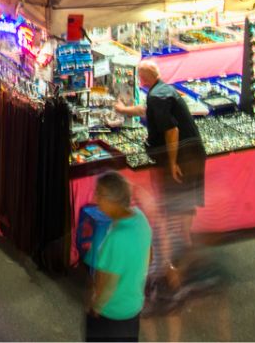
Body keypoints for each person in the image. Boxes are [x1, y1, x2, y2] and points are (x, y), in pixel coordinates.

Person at [113, 61, 205, 291]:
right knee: (184, 204)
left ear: (143, 78)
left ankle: (178, 258)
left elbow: (171, 131)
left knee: (176, 205)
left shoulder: (157, 96)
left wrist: (172, 162)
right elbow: (147, 111)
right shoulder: (162, 90)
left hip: (183, 158)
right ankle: (181, 251)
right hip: (192, 152)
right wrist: (124, 111)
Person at [86, 171, 152, 343]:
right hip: (133, 307)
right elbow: (149, 256)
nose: (95, 199)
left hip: (111, 314)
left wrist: (96, 306)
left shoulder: (117, 238)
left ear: (112, 200)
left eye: (99, 194)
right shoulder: (140, 218)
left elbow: (107, 281)